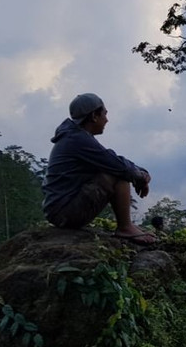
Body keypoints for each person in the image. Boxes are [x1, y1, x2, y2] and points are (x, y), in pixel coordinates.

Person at [42, 92, 157, 244]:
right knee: (117, 174)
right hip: (65, 213)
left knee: (116, 169)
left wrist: (140, 173)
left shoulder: (76, 137)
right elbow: (118, 166)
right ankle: (125, 227)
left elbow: (111, 159)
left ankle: (126, 226)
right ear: (94, 116)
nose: (107, 120)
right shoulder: (77, 139)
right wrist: (141, 176)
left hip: (60, 210)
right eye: (104, 114)